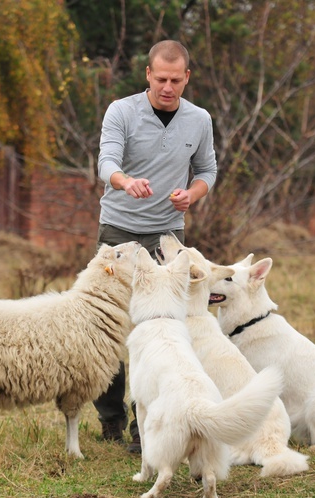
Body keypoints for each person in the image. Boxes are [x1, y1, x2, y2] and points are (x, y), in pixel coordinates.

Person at [93, 40, 218, 453]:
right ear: (148, 75)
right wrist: (125, 182)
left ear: (187, 77)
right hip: (118, 234)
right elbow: (106, 162)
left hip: (167, 236)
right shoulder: (122, 111)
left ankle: (143, 430)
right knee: (110, 329)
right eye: (160, 78)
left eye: (175, 79)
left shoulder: (199, 119)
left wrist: (193, 195)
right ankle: (110, 418)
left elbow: (207, 169)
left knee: (162, 332)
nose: (168, 87)